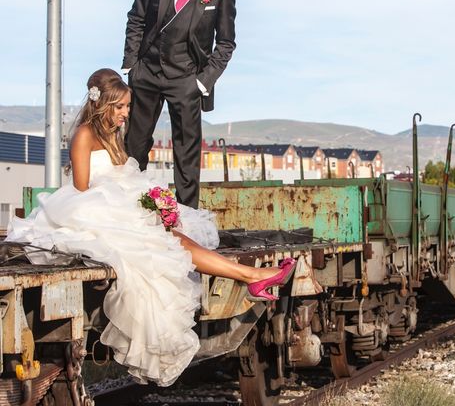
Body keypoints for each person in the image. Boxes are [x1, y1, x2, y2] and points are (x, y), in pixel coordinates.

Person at [6, 69, 295, 387]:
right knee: (167, 244)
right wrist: (129, 208)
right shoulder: (85, 134)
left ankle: (251, 278)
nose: (126, 113)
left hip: (119, 205)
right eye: (120, 107)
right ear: (102, 103)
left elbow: (124, 178)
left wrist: (153, 203)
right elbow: (81, 189)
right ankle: (251, 277)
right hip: (90, 212)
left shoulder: (112, 136)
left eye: (127, 106)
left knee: (175, 238)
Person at [123, 0, 236, 209]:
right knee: (134, 146)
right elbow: (137, 17)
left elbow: (226, 44)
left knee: (186, 154)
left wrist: (201, 83)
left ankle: (188, 218)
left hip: (187, 80)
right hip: (146, 73)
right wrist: (130, 64)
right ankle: (129, 207)